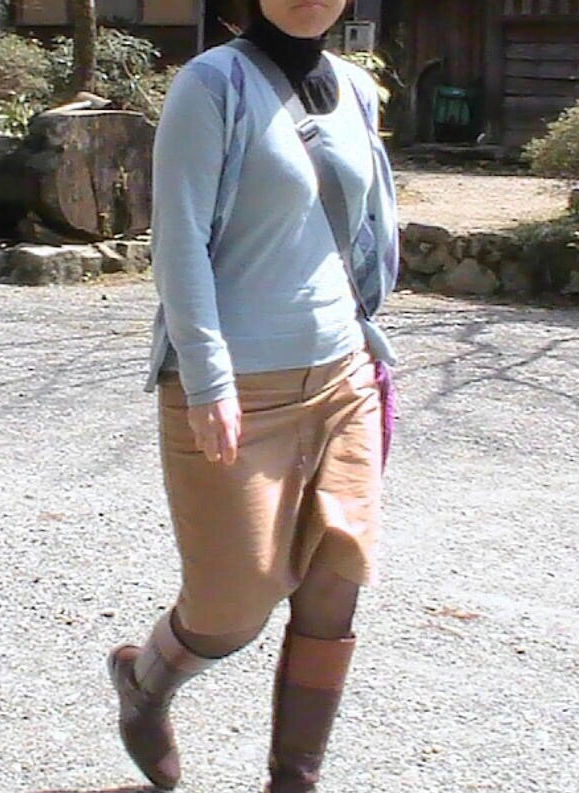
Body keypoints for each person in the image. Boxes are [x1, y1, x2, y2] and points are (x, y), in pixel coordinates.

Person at [107, 1, 399, 791]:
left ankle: (292, 781)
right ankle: (144, 682)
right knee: (229, 610)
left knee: (337, 583)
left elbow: (363, 226)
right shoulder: (211, 84)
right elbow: (178, 240)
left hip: (341, 376)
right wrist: (207, 378)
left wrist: (363, 328)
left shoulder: (354, 86)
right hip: (236, 386)